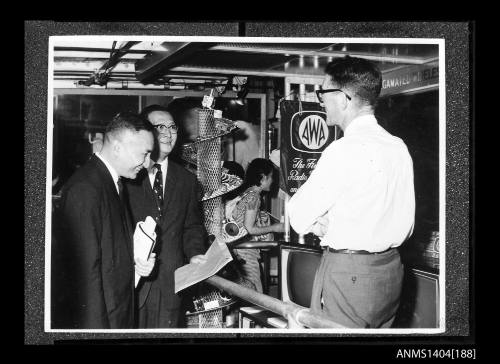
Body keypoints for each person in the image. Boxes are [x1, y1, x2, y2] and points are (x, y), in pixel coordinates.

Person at [287, 56, 415, 328]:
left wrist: (322, 225)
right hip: (391, 272)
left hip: (349, 274)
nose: (320, 100)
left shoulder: (343, 149)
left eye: (323, 92)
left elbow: (298, 216)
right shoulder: (398, 147)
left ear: (343, 99)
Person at [52, 112, 157, 329]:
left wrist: (137, 265)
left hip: (117, 313)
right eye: (144, 154)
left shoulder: (111, 183)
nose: (147, 163)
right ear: (117, 147)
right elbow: (84, 276)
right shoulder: (85, 188)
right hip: (103, 322)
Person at [124, 104, 207, 328]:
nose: (168, 133)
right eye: (160, 127)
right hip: (132, 282)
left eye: (172, 127)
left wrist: (195, 253)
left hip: (172, 283)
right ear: (145, 132)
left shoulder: (187, 180)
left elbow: (192, 226)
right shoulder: (128, 176)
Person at [229, 158, 285, 293]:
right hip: (246, 252)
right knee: (255, 293)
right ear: (264, 177)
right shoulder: (254, 197)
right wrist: (275, 228)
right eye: (271, 177)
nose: (272, 181)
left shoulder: (247, 192)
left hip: (237, 248)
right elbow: (250, 228)